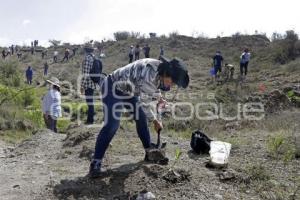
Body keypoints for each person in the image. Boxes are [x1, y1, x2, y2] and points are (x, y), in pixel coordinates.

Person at [89, 57, 190, 178]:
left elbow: (153, 87)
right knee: (112, 124)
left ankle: (150, 153)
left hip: (129, 91)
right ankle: (96, 163)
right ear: (166, 73)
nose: (171, 85)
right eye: (172, 81)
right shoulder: (150, 73)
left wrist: (159, 98)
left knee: (141, 118)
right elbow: (145, 102)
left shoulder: (160, 71)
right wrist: (155, 120)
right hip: (112, 87)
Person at [80, 43, 97, 125]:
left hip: (88, 84)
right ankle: (91, 118)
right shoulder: (93, 57)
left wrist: (82, 86)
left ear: (85, 50)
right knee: (91, 102)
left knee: (89, 102)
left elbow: (85, 74)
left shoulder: (87, 58)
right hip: (93, 83)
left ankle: (90, 120)